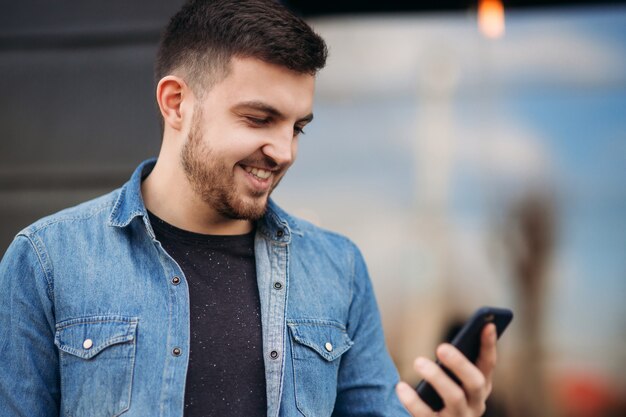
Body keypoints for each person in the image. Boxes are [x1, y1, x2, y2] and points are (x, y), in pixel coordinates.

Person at [0, 1, 497, 416]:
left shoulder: (338, 269)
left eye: (297, 127)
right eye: (260, 119)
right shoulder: (47, 261)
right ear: (176, 104)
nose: (285, 151)